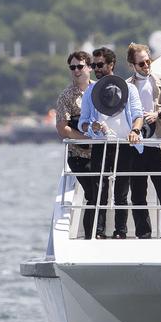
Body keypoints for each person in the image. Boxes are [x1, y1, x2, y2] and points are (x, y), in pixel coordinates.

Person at [77, 47, 144, 239]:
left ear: (111, 64)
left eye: (100, 65)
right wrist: (91, 127)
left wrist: (135, 130)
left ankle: (120, 231)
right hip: (101, 145)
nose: (96, 69)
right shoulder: (90, 90)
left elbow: (138, 115)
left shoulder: (129, 88)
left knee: (122, 190)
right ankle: (98, 231)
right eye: (93, 65)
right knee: (100, 190)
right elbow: (83, 120)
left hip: (125, 144)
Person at [124, 43, 161, 239]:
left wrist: (159, 113)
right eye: (141, 64)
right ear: (132, 65)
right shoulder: (126, 86)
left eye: (148, 61)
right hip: (135, 146)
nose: (146, 66)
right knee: (138, 195)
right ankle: (143, 234)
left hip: (159, 145)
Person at [54, 50, 106, 240]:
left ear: (90, 68)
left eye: (80, 66)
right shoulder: (66, 96)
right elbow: (62, 128)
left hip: (101, 152)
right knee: (93, 193)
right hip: (79, 154)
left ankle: (99, 232)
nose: (76, 71)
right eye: (72, 67)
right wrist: (86, 138)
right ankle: (92, 235)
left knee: (102, 192)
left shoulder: (100, 90)